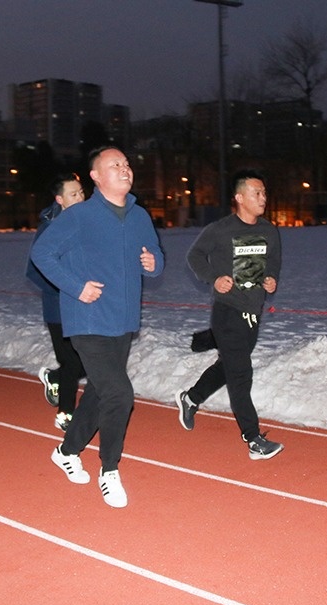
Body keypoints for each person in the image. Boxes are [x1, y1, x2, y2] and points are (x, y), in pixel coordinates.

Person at [30, 146, 164, 508]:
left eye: (126, 163)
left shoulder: (139, 216)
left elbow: (155, 256)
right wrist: (76, 286)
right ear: (95, 176)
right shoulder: (79, 216)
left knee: (101, 391)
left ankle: (67, 450)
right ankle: (109, 471)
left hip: (122, 320)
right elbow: (41, 254)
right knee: (120, 393)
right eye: (114, 165)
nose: (124, 169)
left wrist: (153, 262)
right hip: (87, 319)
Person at [175, 170, 284, 460]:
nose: (263, 197)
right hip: (227, 312)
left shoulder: (270, 231)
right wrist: (213, 278)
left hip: (253, 313)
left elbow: (273, 262)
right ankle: (253, 439)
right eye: (256, 193)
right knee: (240, 374)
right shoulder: (220, 230)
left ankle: (191, 398)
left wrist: (271, 279)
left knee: (229, 367)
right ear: (239, 198)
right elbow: (194, 256)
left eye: (263, 192)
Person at [26, 173, 87, 431]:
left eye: (82, 192)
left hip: (85, 304)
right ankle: (66, 413)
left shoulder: (88, 222)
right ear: (60, 199)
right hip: (59, 308)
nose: (81, 197)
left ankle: (54, 377)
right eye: (74, 194)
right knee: (72, 361)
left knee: (85, 360)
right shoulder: (50, 229)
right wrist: (65, 289)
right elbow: (33, 271)